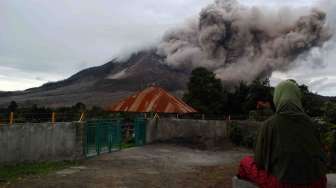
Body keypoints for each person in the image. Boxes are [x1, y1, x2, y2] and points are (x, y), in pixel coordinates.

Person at [238, 80, 327, 188]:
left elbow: (259, 161)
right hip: (318, 183)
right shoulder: (312, 124)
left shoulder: (269, 125)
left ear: (277, 98)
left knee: (245, 162)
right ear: (298, 97)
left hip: (284, 184)